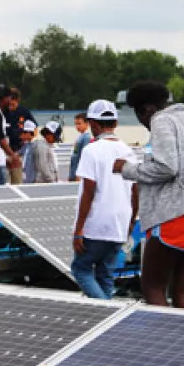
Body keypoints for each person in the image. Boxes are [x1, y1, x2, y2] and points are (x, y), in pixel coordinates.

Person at [113, 80, 184, 309]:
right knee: (182, 289)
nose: (143, 122)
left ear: (146, 109)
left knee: (152, 287)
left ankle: (164, 343)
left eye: (139, 114)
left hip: (177, 214)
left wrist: (127, 169)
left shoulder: (161, 120)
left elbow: (167, 167)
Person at [72, 100, 138, 300]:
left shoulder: (92, 150)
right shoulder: (128, 151)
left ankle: (106, 308)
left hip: (97, 223)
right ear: (115, 123)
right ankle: (108, 317)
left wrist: (78, 230)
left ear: (93, 124)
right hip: (120, 222)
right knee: (105, 274)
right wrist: (131, 221)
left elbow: (89, 192)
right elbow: (136, 190)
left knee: (81, 269)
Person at [5, 88, 38, 185]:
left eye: (13, 104)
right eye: (9, 104)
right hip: (6, 152)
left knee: (17, 181)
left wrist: (28, 142)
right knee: (5, 183)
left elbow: (35, 129)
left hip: (20, 153)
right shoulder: (4, 112)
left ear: (17, 101)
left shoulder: (24, 112)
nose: (10, 107)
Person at [68, 113, 91, 182]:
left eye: (79, 123)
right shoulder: (81, 136)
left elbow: (84, 157)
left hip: (79, 173)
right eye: (76, 124)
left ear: (87, 123)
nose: (77, 126)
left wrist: (80, 174)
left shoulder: (86, 137)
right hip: (74, 171)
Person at [18, 120, 37, 184]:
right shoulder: (26, 145)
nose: (21, 135)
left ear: (29, 133)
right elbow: (17, 155)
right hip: (25, 177)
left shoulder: (36, 146)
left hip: (33, 179)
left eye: (24, 132)